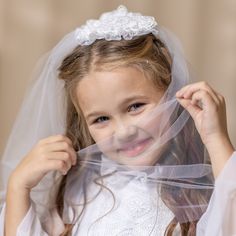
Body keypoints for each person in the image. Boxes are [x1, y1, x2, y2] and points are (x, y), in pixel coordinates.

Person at [0, 5, 235, 236]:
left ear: (171, 93)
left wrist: (216, 139)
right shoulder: (80, 194)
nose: (123, 132)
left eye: (135, 106)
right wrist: (18, 187)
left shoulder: (201, 191)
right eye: (101, 118)